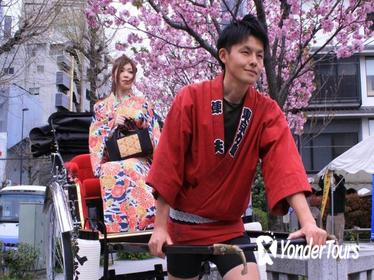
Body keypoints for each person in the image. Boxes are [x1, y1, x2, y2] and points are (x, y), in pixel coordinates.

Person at [147, 14, 327, 280]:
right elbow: (168, 163)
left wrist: (308, 223)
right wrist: (160, 227)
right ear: (223, 55)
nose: (254, 61)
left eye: (259, 54)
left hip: (230, 227)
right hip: (184, 225)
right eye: (245, 52)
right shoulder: (191, 99)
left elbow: (285, 165)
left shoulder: (267, 112)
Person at [89, 55, 161, 233]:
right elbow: (95, 135)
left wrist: (138, 121)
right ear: (114, 74)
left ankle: (147, 218)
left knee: (130, 166)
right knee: (109, 169)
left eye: (131, 71)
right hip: (113, 158)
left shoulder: (142, 103)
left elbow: (154, 131)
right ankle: (117, 226)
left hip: (141, 159)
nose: (127, 75)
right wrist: (112, 123)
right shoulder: (101, 107)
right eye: (123, 70)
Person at [324, 173, 346, 244]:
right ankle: (332, 250)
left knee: (338, 235)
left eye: (336, 181)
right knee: (329, 234)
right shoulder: (331, 190)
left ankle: (338, 251)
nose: (334, 182)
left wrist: (334, 174)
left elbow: (341, 184)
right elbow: (322, 185)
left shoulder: (342, 190)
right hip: (330, 215)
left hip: (338, 216)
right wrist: (324, 175)